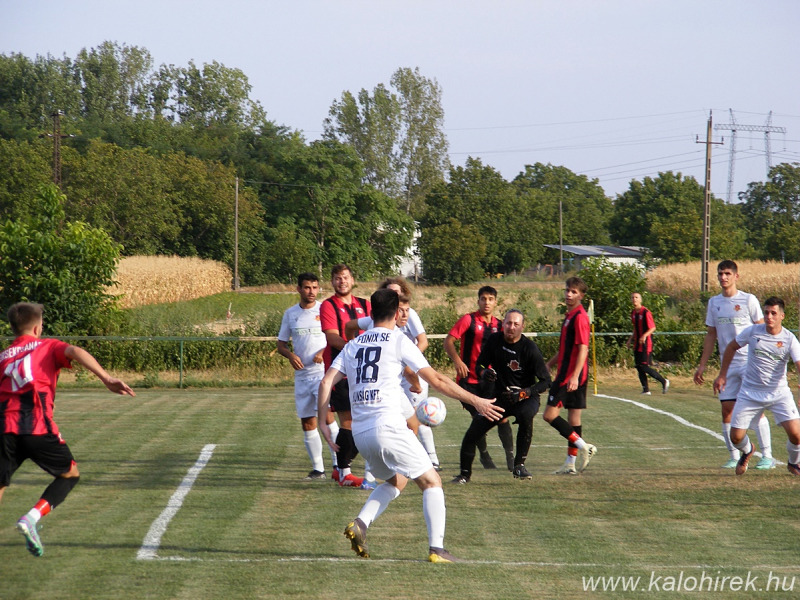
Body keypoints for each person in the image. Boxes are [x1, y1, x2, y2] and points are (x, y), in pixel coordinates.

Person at [318, 289, 504, 562]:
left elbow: (325, 383)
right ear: (395, 314)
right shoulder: (397, 340)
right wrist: (476, 400)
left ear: (371, 313)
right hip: (388, 427)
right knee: (432, 481)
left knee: (398, 481)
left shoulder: (352, 345)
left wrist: (325, 422)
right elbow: (437, 380)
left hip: (361, 434)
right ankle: (437, 550)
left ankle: (360, 524)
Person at [0, 302, 135, 557]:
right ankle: (31, 518)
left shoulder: (3, 356)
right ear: (38, 328)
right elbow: (74, 350)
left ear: (13, 328)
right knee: (70, 474)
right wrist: (106, 378)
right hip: (37, 426)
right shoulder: (47, 345)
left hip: (4, 428)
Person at [346, 277, 441, 469]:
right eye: (390, 294)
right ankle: (397, 463)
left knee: (419, 417)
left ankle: (431, 459)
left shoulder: (408, 314)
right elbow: (350, 326)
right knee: (401, 419)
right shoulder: (377, 322)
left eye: (397, 294)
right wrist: (351, 348)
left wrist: (409, 366)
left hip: (409, 372)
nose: (395, 298)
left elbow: (423, 340)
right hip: (387, 380)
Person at [451, 309, 550, 484]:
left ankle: (519, 465)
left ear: (522, 327)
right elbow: (479, 364)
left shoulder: (530, 348)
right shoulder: (494, 340)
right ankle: (464, 475)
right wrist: (484, 373)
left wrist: (524, 393)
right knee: (472, 434)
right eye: (508, 323)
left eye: (516, 324)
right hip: (500, 397)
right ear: (502, 324)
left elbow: (545, 382)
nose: (511, 327)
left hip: (524, 397)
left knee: (526, 415)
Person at [694, 260, 775, 469]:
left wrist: (765, 359)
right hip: (727, 365)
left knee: (756, 410)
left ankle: (767, 456)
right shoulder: (714, 302)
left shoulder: (748, 300)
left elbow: (761, 330)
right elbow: (711, 334)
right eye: (720, 273)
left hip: (750, 363)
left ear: (736, 276)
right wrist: (702, 365)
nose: (723, 277)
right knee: (726, 410)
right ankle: (734, 455)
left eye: (727, 273)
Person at [713, 297, 800, 476]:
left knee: (797, 435)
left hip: (779, 393)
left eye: (773, 313)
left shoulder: (789, 339)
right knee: (735, 437)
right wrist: (722, 375)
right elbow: (731, 347)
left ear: (782, 316)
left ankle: (793, 462)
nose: (769, 316)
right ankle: (747, 450)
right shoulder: (753, 332)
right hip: (749, 392)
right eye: (766, 312)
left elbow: (799, 363)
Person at [444, 286, 515, 471]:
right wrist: (458, 361)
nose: (487, 302)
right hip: (469, 382)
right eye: (483, 298)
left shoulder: (500, 325)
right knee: (479, 418)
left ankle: (511, 457)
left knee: (502, 418)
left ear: (495, 302)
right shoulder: (469, 320)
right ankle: (484, 456)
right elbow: (449, 340)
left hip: (491, 382)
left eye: (491, 299)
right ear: (478, 301)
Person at [277, 272, 339, 480]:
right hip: (302, 376)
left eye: (314, 287)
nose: (311, 291)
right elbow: (281, 344)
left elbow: (334, 338)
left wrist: (323, 352)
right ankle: (318, 469)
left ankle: (339, 465)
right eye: (306, 287)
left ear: (318, 289)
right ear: (299, 289)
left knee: (328, 417)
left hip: (323, 374)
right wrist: (290, 355)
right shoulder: (290, 314)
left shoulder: (325, 309)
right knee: (307, 421)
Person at [320, 264, 371, 488]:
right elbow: (332, 338)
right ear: (332, 282)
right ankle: (343, 473)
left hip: (364, 373)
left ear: (352, 280)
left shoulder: (365, 304)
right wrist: (358, 349)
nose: (342, 281)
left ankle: (342, 467)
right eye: (338, 278)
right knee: (349, 422)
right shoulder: (328, 305)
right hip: (341, 373)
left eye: (346, 277)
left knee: (363, 422)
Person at [543, 277, 597, 475]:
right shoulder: (569, 316)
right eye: (567, 290)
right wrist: (550, 363)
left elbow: (583, 348)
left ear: (581, 295)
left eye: (573, 292)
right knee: (574, 420)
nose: (568, 294)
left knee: (549, 416)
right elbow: (566, 349)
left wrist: (574, 376)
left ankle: (585, 447)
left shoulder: (580, 317)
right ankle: (570, 463)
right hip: (571, 374)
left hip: (570, 377)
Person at [626, 292, 669, 395]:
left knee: (644, 366)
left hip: (646, 344)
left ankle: (664, 381)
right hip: (637, 343)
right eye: (632, 298)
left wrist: (644, 336)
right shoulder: (633, 313)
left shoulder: (645, 312)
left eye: (636, 297)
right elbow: (635, 329)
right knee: (638, 366)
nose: (634, 299)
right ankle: (646, 390)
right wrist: (630, 339)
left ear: (640, 300)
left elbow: (652, 327)